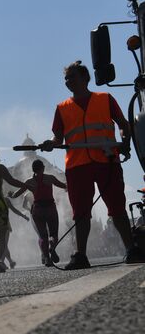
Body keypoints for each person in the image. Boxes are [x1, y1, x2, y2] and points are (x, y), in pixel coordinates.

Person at [40, 60, 145, 269]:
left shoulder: (105, 99)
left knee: (117, 208)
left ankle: (131, 249)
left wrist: (124, 141)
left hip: (107, 160)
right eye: (66, 79)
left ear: (85, 78)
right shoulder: (62, 108)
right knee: (80, 212)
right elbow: (57, 138)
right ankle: (81, 255)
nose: (68, 82)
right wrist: (50, 144)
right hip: (78, 166)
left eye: (72, 77)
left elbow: (123, 125)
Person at [9, 159, 66, 266]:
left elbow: (16, 194)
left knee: (42, 236)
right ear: (43, 168)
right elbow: (63, 186)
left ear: (33, 169)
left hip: (37, 209)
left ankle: (47, 258)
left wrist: (11, 194)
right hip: (50, 208)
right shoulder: (50, 178)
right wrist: (69, 185)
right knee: (53, 234)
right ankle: (52, 246)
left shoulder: (29, 181)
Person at [0, 197, 31, 270]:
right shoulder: (5, 199)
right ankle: (5, 262)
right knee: (4, 244)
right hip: (4, 224)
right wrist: (23, 216)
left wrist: (23, 216)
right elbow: (14, 210)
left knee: (3, 244)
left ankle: (5, 262)